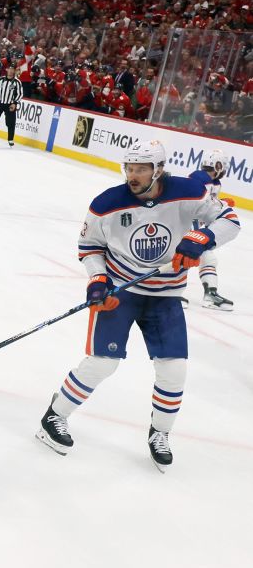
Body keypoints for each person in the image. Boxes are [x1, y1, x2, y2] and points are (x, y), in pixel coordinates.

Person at [36, 140, 239, 468]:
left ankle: (160, 432)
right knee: (103, 362)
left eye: (141, 169)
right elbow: (89, 246)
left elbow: (229, 220)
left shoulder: (187, 192)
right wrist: (97, 279)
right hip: (121, 293)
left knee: (174, 370)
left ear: (158, 169)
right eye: (129, 167)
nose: (133, 174)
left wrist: (201, 238)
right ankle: (54, 415)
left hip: (166, 296)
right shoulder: (106, 203)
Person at [187, 149, 236, 310]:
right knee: (188, 255)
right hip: (185, 221)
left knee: (206, 257)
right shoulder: (199, 178)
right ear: (218, 165)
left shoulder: (213, 182)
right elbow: (193, 203)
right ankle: (169, 295)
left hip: (193, 222)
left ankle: (210, 294)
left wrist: (220, 202)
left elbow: (206, 204)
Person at [0, 64, 23, 146]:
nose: (11, 70)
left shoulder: (17, 82)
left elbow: (20, 94)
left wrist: (15, 103)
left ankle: (10, 139)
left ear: (15, 71)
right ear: (7, 69)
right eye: (9, 68)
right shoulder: (1, 79)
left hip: (10, 104)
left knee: (11, 123)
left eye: (13, 69)